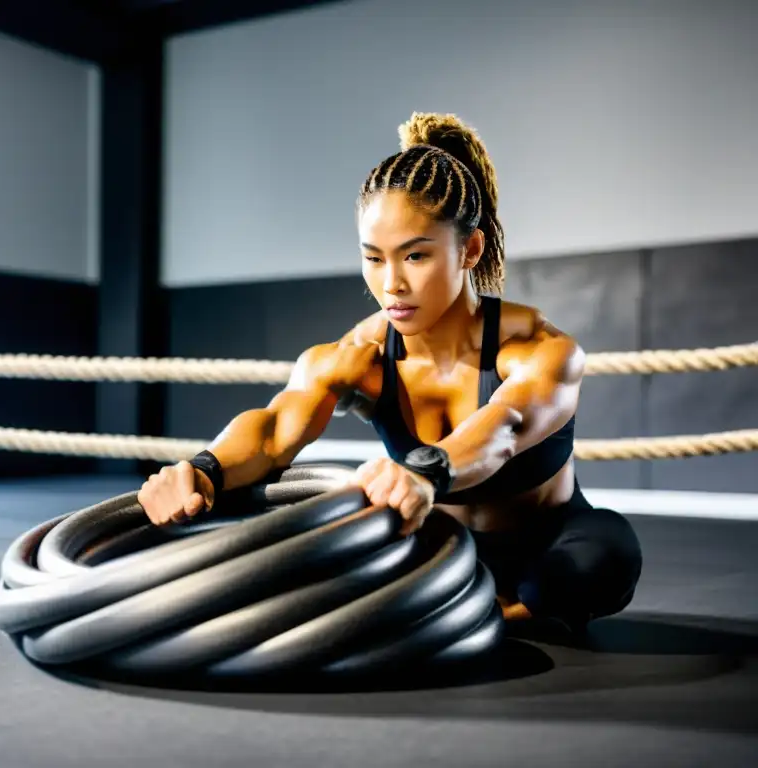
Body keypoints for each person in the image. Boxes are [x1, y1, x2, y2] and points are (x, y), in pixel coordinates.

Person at [138, 111, 642, 633]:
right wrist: (202, 468)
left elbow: (506, 427)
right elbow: (272, 432)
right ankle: (467, 606)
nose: (392, 284)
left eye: (415, 256)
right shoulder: (360, 355)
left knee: (602, 556)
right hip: (440, 546)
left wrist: (426, 471)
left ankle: (488, 614)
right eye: (374, 259)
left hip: (548, 546)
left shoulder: (538, 349)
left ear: (469, 249)